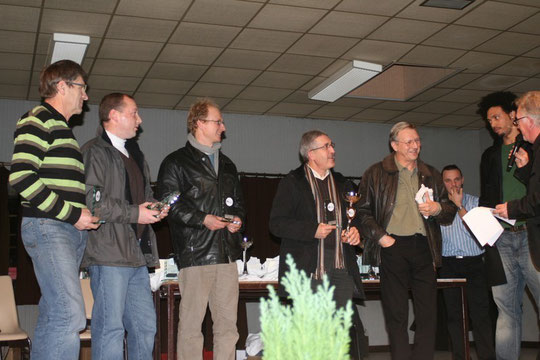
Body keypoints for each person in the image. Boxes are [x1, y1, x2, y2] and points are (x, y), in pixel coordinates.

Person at [8, 59, 100, 359]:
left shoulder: (63, 129)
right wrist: (74, 214)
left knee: (53, 313)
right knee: (70, 314)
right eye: (81, 88)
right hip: (50, 228)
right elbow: (21, 176)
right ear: (62, 86)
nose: (85, 97)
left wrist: (81, 216)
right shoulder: (39, 118)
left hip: (65, 230)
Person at [357, 121, 455, 360]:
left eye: (417, 141)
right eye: (409, 141)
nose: (415, 146)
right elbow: (362, 211)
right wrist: (382, 238)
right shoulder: (376, 172)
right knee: (396, 313)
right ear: (394, 145)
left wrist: (437, 208)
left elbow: (450, 211)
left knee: (428, 313)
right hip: (392, 247)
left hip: (424, 247)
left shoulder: (430, 173)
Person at [157, 98, 245, 360]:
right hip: (195, 255)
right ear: (198, 124)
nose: (223, 127)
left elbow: (238, 203)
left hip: (227, 255)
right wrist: (202, 219)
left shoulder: (228, 164)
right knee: (192, 328)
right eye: (217, 121)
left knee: (228, 327)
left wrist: (238, 219)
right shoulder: (176, 162)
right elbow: (169, 204)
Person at [81, 93, 167, 359]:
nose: (139, 121)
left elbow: (142, 199)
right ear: (114, 116)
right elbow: (92, 204)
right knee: (110, 330)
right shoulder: (94, 152)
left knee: (145, 328)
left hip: (137, 257)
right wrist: (135, 213)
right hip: (108, 256)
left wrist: (154, 207)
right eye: (134, 113)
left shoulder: (136, 156)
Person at [269, 130, 368, 359]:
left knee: (344, 336)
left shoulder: (343, 184)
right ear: (311, 154)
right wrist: (311, 230)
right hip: (308, 273)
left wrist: (356, 233)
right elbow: (276, 224)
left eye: (332, 145)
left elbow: (359, 219)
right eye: (326, 147)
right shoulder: (293, 182)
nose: (332, 150)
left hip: (341, 271)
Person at [478, 91, 540, 360]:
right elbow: (487, 196)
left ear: (515, 117)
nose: (493, 123)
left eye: (497, 116)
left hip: (530, 234)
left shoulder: (533, 148)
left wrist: (525, 167)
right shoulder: (490, 155)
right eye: (489, 119)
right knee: (506, 310)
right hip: (501, 237)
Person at [439, 164, 495, 360]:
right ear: (442, 183)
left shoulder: (477, 203)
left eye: (456, 179)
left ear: (462, 180)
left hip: (474, 263)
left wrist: (459, 205)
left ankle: (487, 356)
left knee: (481, 315)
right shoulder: (438, 207)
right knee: (454, 317)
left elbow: (482, 234)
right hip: (449, 264)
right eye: (447, 180)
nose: (452, 184)